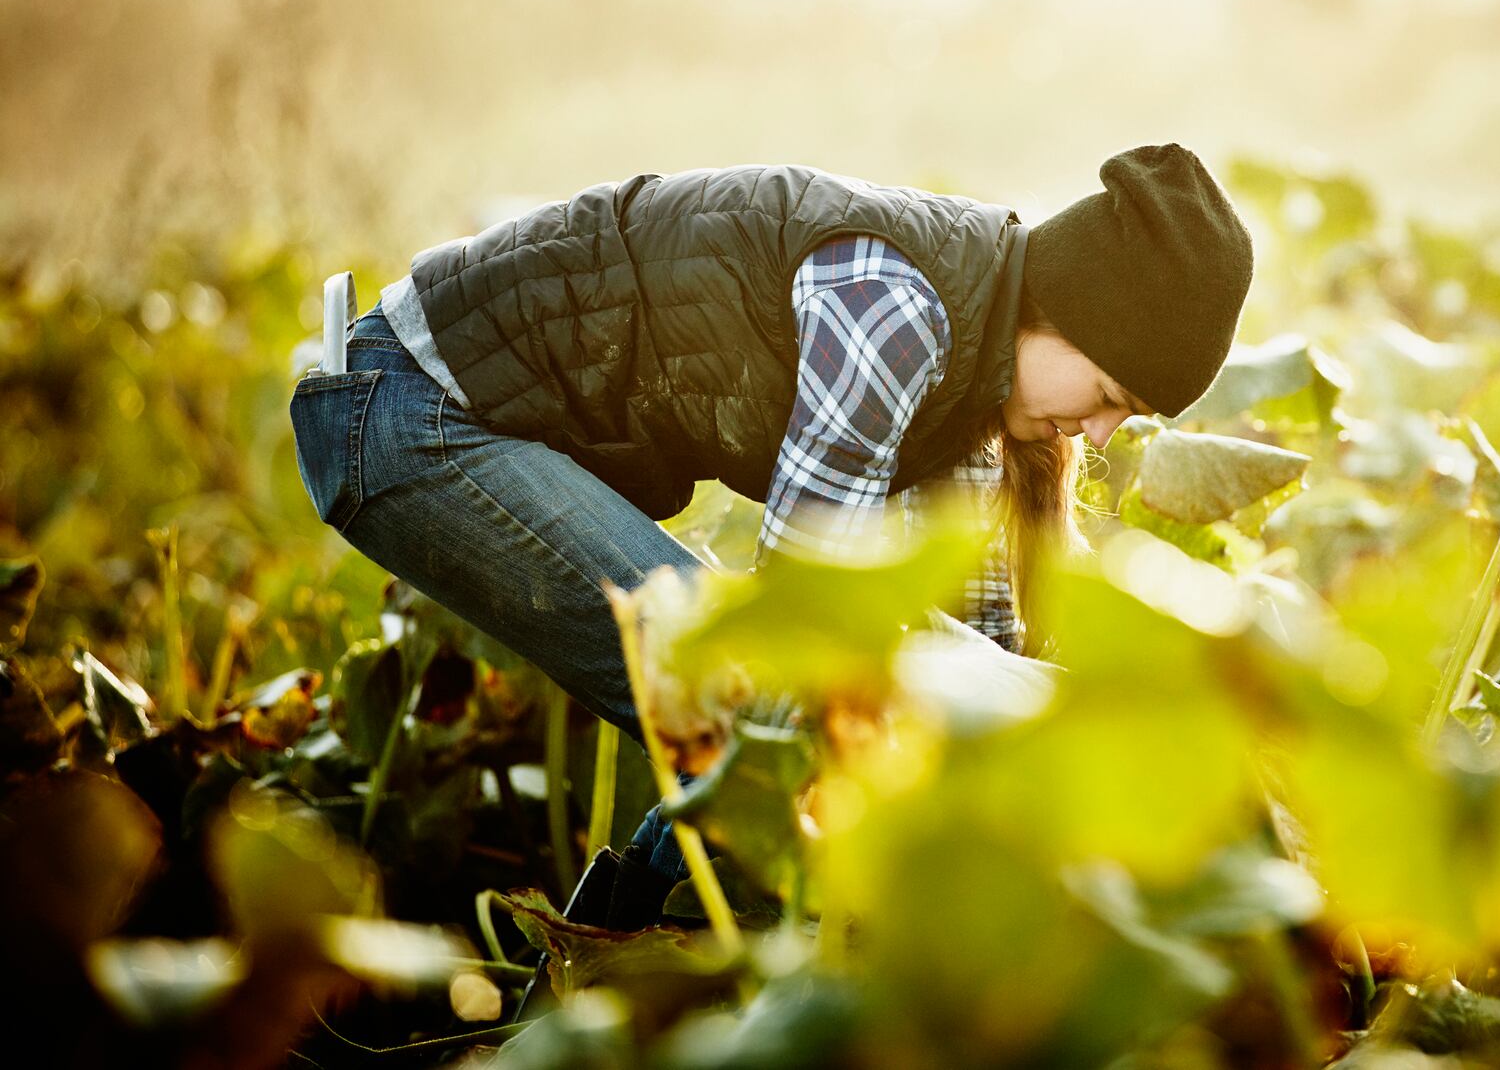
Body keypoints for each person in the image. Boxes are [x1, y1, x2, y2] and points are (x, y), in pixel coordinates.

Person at [287, 143, 1253, 925]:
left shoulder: (974, 372)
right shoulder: (899, 313)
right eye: (1109, 396)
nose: (1098, 433)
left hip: (445, 418)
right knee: (762, 704)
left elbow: (974, 668)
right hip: (411, 417)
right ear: (1061, 316)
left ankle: (618, 984)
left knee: (779, 722)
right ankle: (612, 985)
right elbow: (799, 624)